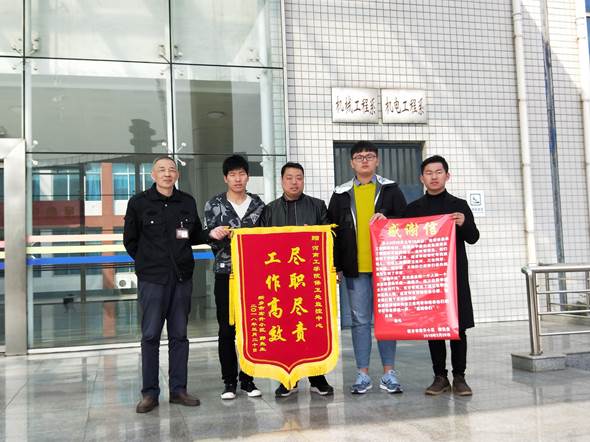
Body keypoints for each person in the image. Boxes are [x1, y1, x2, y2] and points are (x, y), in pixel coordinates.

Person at [123, 155, 227, 413]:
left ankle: (178, 390)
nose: (167, 174)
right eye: (162, 170)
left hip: (181, 279)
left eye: (171, 170)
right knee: (150, 336)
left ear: (177, 175)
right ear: (153, 175)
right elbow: (130, 241)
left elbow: (193, 235)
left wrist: (210, 234)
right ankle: (149, 393)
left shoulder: (186, 202)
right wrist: (149, 263)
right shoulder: (139, 203)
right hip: (153, 280)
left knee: (179, 336)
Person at [328, 141, 407, 394]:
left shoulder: (390, 189)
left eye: (369, 156)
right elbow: (332, 232)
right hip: (355, 269)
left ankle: (389, 373)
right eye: (359, 157)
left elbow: (407, 223)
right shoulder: (340, 193)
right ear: (351, 163)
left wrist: (389, 219)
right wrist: (336, 266)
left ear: (377, 161)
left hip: (386, 268)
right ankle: (362, 374)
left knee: (386, 319)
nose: (364, 160)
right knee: (360, 321)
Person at [404, 155, 479, 396]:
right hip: (428, 278)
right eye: (429, 173)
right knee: (434, 327)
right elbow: (401, 239)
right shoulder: (413, 209)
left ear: (447, 175)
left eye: (438, 172)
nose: (434, 177)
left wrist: (464, 223)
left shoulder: (459, 206)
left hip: (454, 277)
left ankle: (460, 377)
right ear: (421, 178)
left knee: (458, 328)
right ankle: (440, 377)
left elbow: (473, 237)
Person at [259, 161, 335, 397]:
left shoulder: (317, 206)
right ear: (282, 181)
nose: (294, 182)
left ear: (303, 180)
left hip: (309, 280)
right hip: (280, 281)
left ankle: (317, 377)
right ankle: (288, 378)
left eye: (298, 177)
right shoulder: (269, 210)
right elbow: (260, 243)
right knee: (285, 328)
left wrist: (313, 233)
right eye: (289, 177)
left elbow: (331, 236)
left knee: (311, 328)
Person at [204, 154, 265, 400]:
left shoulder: (259, 205)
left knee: (252, 327)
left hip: (254, 275)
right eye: (232, 175)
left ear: (247, 177)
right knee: (227, 329)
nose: (237, 179)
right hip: (225, 275)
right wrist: (214, 234)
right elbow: (207, 235)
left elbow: (268, 237)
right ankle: (229, 381)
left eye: (241, 174)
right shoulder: (214, 204)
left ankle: (248, 380)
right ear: (225, 178)